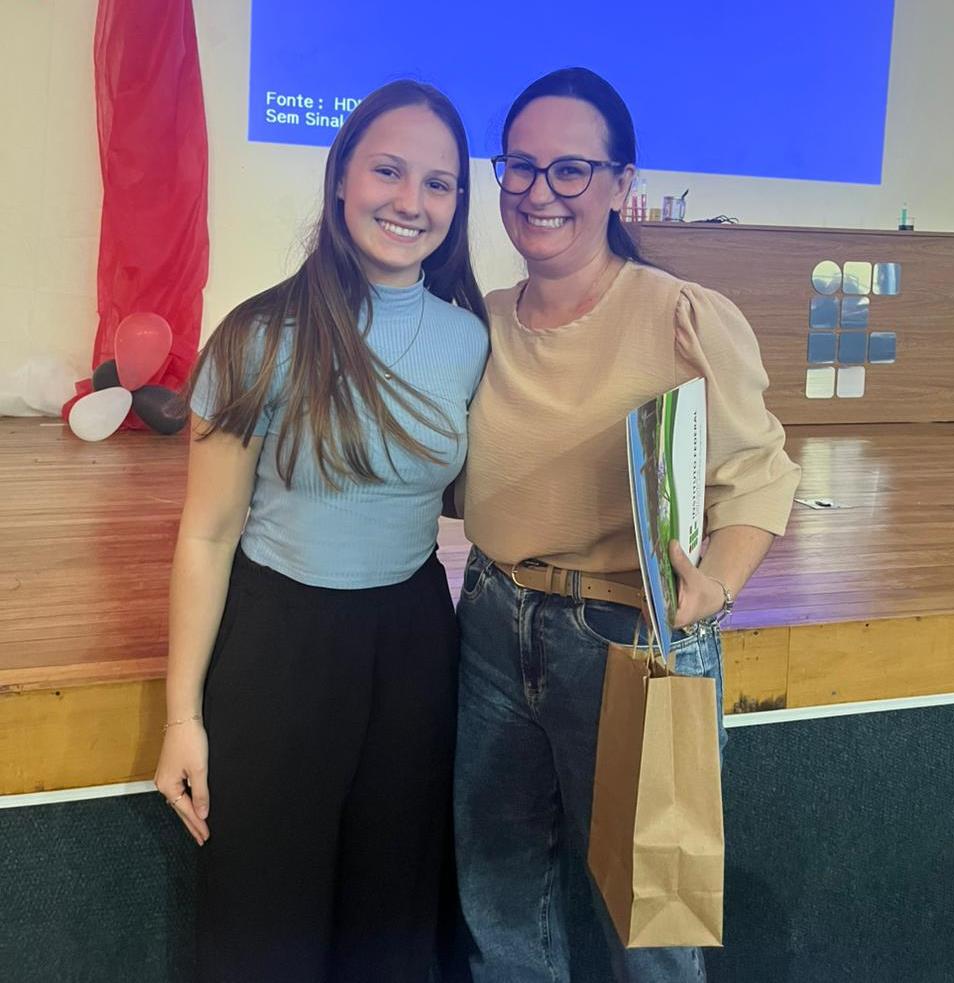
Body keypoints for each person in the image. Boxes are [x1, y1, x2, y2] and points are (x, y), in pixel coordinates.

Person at [453, 67, 800, 983]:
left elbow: (758, 476)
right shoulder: (483, 325)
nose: (540, 191)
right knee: (500, 891)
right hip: (490, 621)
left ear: (620, 184)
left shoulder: (682, 316)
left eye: (571, 169)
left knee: (651, 922)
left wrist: (716, 588)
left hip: (634, 635)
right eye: (520, 166)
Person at [153, 79, 488, 983]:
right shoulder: (257, 336)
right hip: (280, 645)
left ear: (457, 203)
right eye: (388, 171)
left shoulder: (469, 342)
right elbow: (208, 534)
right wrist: (182, 715)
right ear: (341, 177)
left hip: (413, 642)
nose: (411, 201)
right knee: (265, 922)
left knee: (392, 918)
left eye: (438, 183)